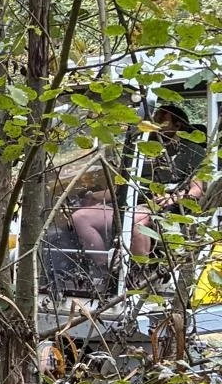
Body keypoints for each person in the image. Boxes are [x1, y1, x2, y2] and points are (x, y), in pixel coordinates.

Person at [71, 103, 204, 268]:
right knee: (80, 217)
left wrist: (173, 199)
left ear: (178, 125)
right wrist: (92, 195)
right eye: (153, 118)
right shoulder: (139, 148)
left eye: (161, 119)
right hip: (128, 203)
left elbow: (197, 189)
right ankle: (105, 270)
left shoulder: (191, 151)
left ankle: (138, 276)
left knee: (135, 224)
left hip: (160, 207)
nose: (153, 122)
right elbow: (123, 187)